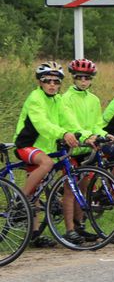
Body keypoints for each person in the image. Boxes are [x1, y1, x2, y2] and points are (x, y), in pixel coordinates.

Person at [13, 61, 82, 247]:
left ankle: (34, 235)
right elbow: (41, 124)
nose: (52, 84)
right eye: (48, 81)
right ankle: (20, 201)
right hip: (27, 145)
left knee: (37, 191)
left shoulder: (58, 100)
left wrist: (86, 135)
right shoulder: (35, 98)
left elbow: (70, 121)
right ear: (40, 83)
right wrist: (62, 134)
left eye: (56, 81)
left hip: (45, 148)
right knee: (47, 164)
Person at [60, 58, 109, 243]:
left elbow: (97, 124)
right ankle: (69, 230)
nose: (83, 81)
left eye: (87, 78)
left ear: (91, 79)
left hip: (87, 149)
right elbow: (70, 123)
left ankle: (80, 226)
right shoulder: (66, 98)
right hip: (73, 148)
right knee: (70, 190)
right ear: (73, 78)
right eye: (79, 77)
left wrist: (104, 134)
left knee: (83, 187)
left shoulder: (93, 99)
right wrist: (87, 136)